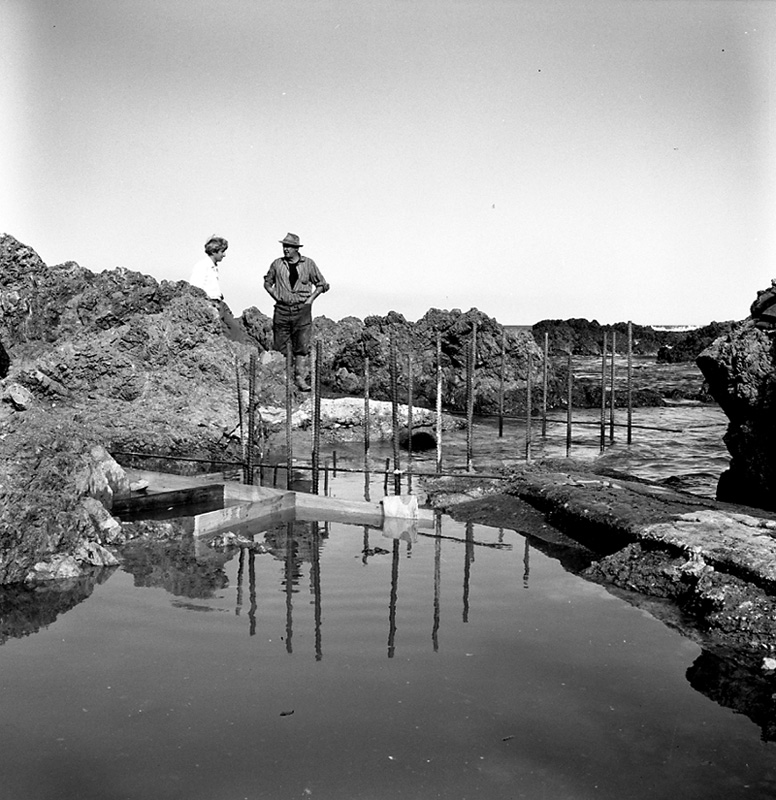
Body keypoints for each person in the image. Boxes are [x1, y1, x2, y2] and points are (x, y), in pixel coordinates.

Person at [263, 232, 330, 391]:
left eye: (289, 247)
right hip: (282, 309)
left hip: (302, 309)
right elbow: (267, 283)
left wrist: (310, 300)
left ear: (296, 248)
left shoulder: (308, 264)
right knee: (280, 344)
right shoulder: (277, 264)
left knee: (301, 345)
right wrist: (276, 296)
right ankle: (281, 379)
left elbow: (322, 284)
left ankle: (299, 378)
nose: (286, 249)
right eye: (284, 246)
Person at [189, 234, 248, 343]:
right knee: (223, 332)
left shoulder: (214, 267)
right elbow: (195, 288)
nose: (224, 255)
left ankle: (238, 352)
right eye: (222, 251)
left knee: (236, 329)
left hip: (219, 303)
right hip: (210, 304)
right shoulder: (202, 266)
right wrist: (207, 303)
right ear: (214, 251)